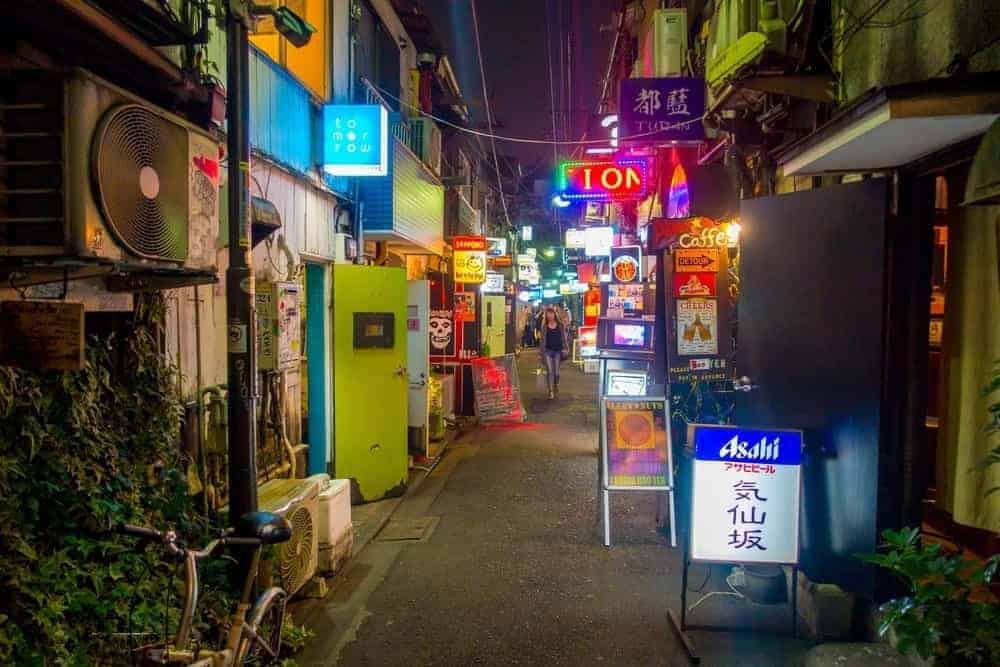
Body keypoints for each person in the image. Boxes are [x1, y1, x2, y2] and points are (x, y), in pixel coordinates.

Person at [539, 307, 569, 400]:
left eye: (551, 314)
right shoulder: (544, 327)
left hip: (557, 351)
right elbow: (542, 341)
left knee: (556, 373)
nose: (550, 316)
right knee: (550, 370)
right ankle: (550, 391)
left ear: (554, 314)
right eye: (548, 314)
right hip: (547, 351)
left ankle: (556, 384)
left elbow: (564, 338)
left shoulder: (560, 325)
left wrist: (566, 348)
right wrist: (540, 354)